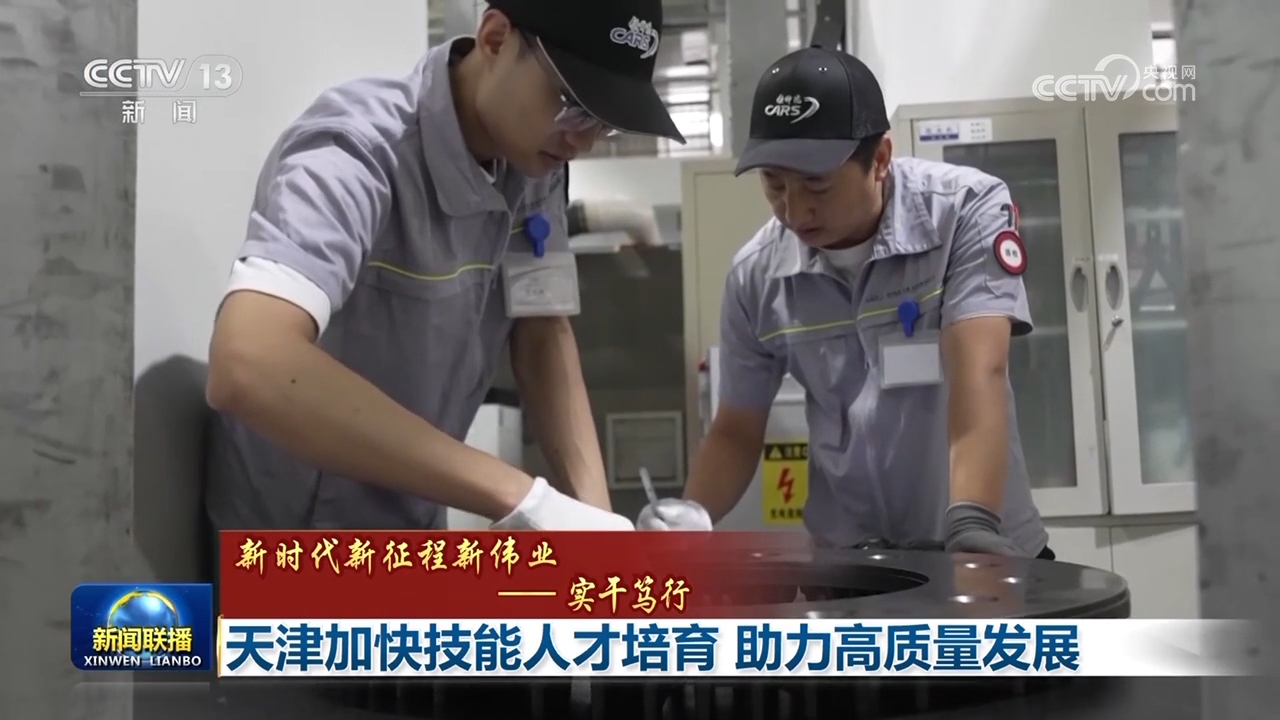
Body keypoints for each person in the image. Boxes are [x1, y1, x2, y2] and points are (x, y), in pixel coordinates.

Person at [203, 0, 685, 536]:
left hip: (414, 529)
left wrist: (598, 523)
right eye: (572, 105)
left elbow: (541, 328)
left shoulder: (534, 168)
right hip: (293, 539)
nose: (582, 141)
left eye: (603, 124)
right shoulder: (357, 150)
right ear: (496, 39)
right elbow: (249, 363)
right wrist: (524, 497)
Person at [638, 46, 1051, 559]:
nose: (795, 211)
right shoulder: (757, 275)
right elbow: (736, 430)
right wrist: (691, 516)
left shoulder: (963, 213)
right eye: (774, 185)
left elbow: (980, 370)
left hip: (979, 545)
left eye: (817, 185)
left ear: (879, 159)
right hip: (853, 564)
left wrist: (972, 521)